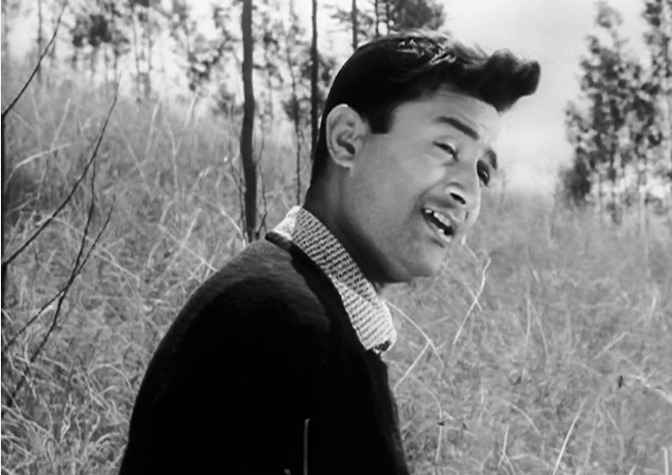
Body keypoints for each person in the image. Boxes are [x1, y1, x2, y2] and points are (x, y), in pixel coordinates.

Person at [117, 29, 540, 475]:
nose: (468, 192)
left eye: (483, 173)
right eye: (447, 148)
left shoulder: (302, 308)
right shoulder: (280, 324)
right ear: (347, 140)